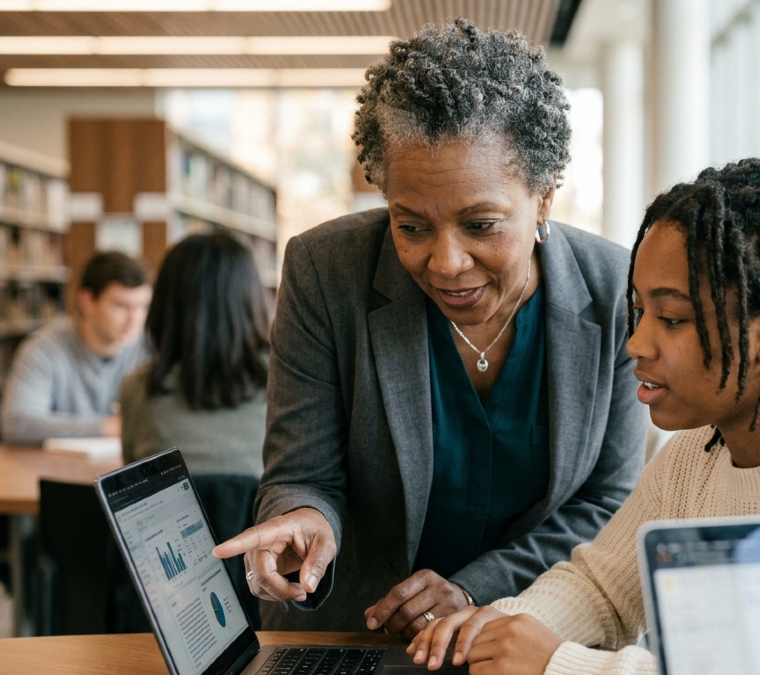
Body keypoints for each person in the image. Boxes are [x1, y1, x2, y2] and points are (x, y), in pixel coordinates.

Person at [409, 159, 760, 675]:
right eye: (641, 310)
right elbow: (601, 589)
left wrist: (559, 665)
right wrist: (497, 627)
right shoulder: (695, 456)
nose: (638, 343)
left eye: (672, 319)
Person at [212, 19, 647, 637]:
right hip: (355, 633)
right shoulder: (324, 270)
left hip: (528, 630)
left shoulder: (615, 291)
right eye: (411, 226)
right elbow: (302, 471)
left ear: (546, 197)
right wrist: (303, 517)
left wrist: (477, 589)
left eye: (482, 224)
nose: (445, 263)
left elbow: (607, 502)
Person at [119, 232, 270, 476]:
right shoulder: (284, 388)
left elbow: (134, 488)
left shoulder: (138, 390)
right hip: (263, 516)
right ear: (253, 301)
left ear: (164, 304)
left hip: (171, 516)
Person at [1, 251, 151, 444]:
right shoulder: (43, 349)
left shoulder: (149, 348)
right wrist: (109, 426)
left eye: (142, 307)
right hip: (59, 469)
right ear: (86, 301)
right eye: (121, 306)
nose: (134, 319)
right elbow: (17, 424)